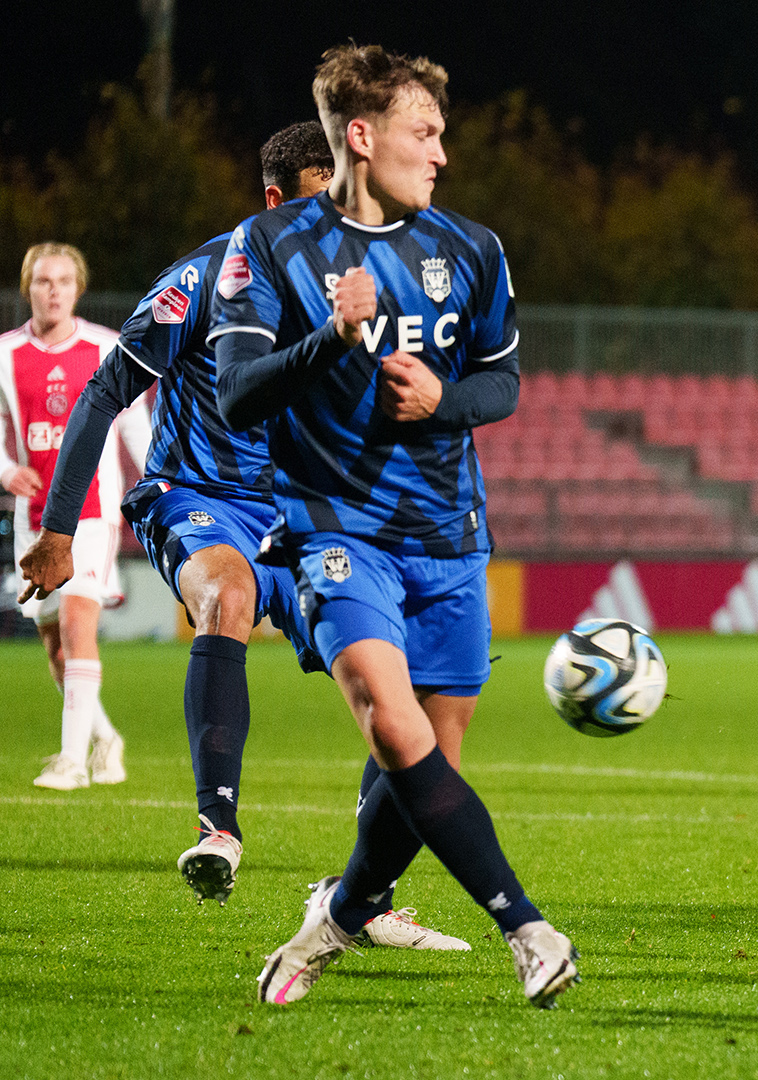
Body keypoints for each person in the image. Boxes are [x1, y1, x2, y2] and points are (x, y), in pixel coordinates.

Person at [17, 124, 467, 952]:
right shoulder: (203, 280)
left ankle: (362, 899)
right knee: (226, 592)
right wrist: (56, 528)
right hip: (197, 497)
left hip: (302, 512)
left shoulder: (367, 292)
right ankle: (217, 830)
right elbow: (105, 390)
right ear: (274, 201)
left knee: (420, 688)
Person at [212, 44, 576, 1005]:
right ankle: (526, 927)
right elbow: (238, 393)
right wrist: (329, 338)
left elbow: (502, 383)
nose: (442, 154)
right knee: (389, 720)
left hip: (450, 538)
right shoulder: (271, 250)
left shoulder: (471, 250)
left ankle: (333, 921)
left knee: (425, 773)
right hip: (336, 534)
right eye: (427, 133)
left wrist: (444, 400)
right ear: (362, 139)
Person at [1, 243, 147, 790]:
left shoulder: (107, 347)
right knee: (55, 647)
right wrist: (6, 470)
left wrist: (153, 485)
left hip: (92, 512)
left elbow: (135, 427)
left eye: (64, 280)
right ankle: (104, 739)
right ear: (28, 288)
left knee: (76, 622)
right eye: (43, 281)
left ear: (78, 289)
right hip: (31, 516)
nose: (53, 290)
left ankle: (71, 762)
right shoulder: (5, 354)